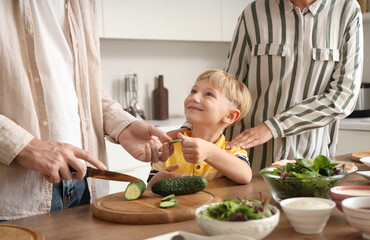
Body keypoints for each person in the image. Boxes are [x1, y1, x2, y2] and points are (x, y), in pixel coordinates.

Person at [0, 1, 171, 221]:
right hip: (15, 194)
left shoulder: (82, 4)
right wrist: (25, 147)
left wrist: (122, 125)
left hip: (85, 186)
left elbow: (85, 88)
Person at [172, 0, 364, 171]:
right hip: (248, 159)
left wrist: (273, 127)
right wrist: (190, 126)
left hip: (310, 160)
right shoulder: (254, 12)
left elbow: (343, 97)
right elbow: (228, 87)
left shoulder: (347, 11)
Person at [147, 70, 253, 188]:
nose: (194, 97)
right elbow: (149, 190)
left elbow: (245, 176)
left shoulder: (232, 151)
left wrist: (209, 152)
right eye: (194, 91)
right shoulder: (168, 149)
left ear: (230, 116)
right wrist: (155, 181)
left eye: (209, 94)